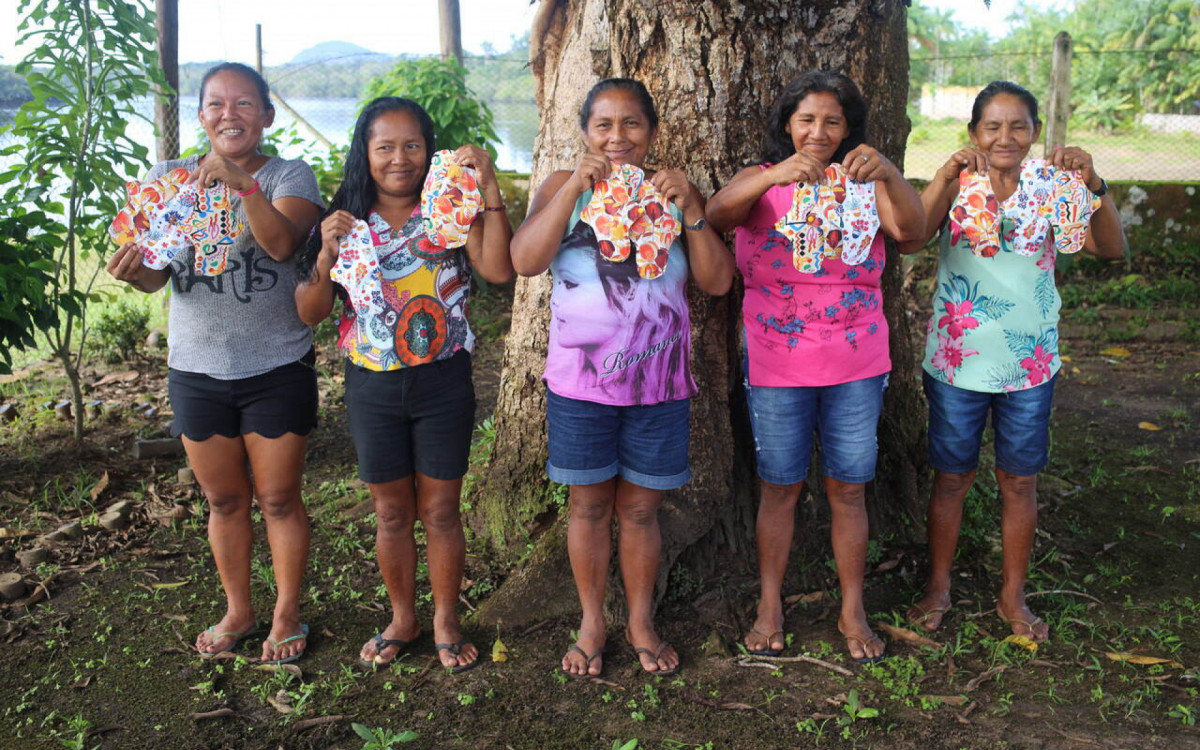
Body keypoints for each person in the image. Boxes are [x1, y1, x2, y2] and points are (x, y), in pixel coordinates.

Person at [511, 78, 733, 678]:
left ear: (652, 133)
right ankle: (591, 622)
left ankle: (639, 621)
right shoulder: (563, 187)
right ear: (584, 131)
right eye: (603, 125)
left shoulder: (672, 191)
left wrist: (692, 210)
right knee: (587, 507)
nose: (617, 137)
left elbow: (716, 281)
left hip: (658, 386)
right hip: (580, 386)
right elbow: (524, 260)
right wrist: (570, 196)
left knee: (640, 512)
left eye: (631, 124)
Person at [106, 62, 324, 664]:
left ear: (267, 116)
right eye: (217, 105)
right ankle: (239, 609)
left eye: (245, 104)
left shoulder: (288, 174)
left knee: (278, 499)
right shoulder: (168, 180)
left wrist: (241, 184)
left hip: (275, 366)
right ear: (200, 116)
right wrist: (133, 270)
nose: (230, 115)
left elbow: (282, 244)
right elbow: (157, 275)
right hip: (197, 368)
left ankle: (285, 613)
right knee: (224, 502)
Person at [706, 70, 925, 663]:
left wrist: (889, 173)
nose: (818, 131)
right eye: (806, 119)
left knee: (849, 490)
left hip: (856, 362)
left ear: (849, 126)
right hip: (777, 365)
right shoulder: (762, 179)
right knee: (779, 488)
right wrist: (774, 175)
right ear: (787, 124)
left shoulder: (864, 179)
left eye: (833, 120)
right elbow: (716, 216)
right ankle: (769, 606)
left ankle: (853, 608)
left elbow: (910, 232)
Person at [898, 81, 1126, 642]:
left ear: (1035, 133)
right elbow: (912, 237)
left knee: (1018, 482)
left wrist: (1095, 184)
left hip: (1031, 363)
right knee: (951, 479)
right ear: (974, 133)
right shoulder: (958, 184)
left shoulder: (1054, 187)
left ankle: (1011, 593)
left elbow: (1111, 246)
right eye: (992, 126)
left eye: (1018, 126)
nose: (1005, 136)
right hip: (958, 361)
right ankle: (939, 587)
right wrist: (943, 178)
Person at [294, 97, 512, 672]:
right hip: (372, 384)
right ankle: (402, 617)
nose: (399, 158)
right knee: (391, 514)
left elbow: (498, 271)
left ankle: (444, 620)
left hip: (444, 380)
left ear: (429, 149)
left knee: (441, 511)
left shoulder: (448, 208)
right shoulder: (343, 218)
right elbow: (310, 312)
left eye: (412, 145)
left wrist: (487, 187)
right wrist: (324, 254)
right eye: (384, 146)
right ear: (364, 153)